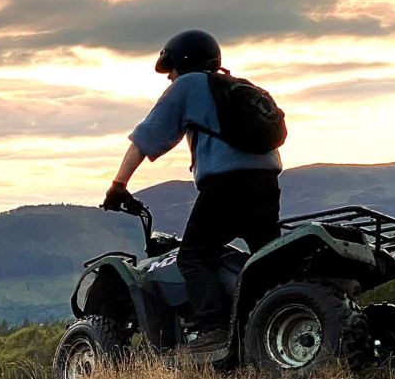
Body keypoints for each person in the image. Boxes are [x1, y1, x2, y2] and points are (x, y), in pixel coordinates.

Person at [102, 29, 283, 351]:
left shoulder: (189, 85)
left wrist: (118, 186)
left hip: (226, 187)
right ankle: (274, 318)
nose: (169, 77)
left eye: (169, 69)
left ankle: (212, 329)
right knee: (269, 259)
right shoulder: (240, 89)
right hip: (266, 184)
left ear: (182, 62)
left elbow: (145, 138)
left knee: (194, 257)